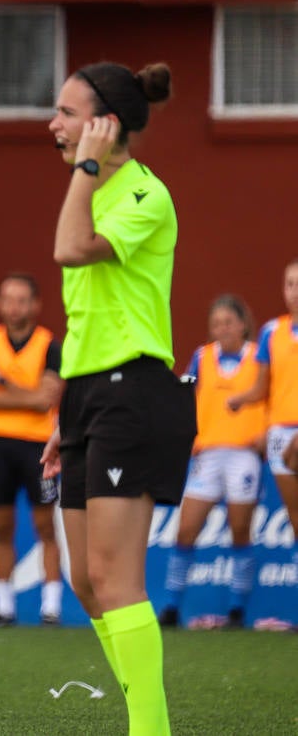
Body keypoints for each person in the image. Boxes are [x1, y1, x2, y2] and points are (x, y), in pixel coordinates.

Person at [39, 61, 194, 736]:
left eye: (67, 113)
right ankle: (143, 715)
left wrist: (87, 166)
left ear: (105, 125)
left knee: (115, 577)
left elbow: (70, 250)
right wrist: (66, 419)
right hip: (89, 395)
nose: (53, 124)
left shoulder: (143, 193)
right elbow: (87, 316)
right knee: (85, 582)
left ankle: (149, 729)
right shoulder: (93, 187)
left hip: (134, 391)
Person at [158, 295, 268, 629]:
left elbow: (273, 395)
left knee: (240, 531)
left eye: (228, 322)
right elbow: (186, 394)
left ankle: (236, 609)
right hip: (207, 454)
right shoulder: (202, 357)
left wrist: (265, 433)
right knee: (186, 529)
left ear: (243, 324)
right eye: (216, 323)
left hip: (244, 453)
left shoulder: (258, 356)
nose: (222, 329)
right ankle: (171, 606)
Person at [0, 272, 65, 627]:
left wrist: (2, 384)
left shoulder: (50, 346)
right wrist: (29, 395)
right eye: (8, 299)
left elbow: (47, 400)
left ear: (36, 305)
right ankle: (3, 605)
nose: (14, 307)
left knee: (45, 525)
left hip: (39, 445)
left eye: (22, 300)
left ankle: (51, 606)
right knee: (1, 524)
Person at [224, 259, 298, 593]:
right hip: (281, 433)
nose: (294, 292)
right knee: (295, 520)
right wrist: (240, 399)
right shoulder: (272, 332)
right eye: (290, 284)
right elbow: (262, 387)